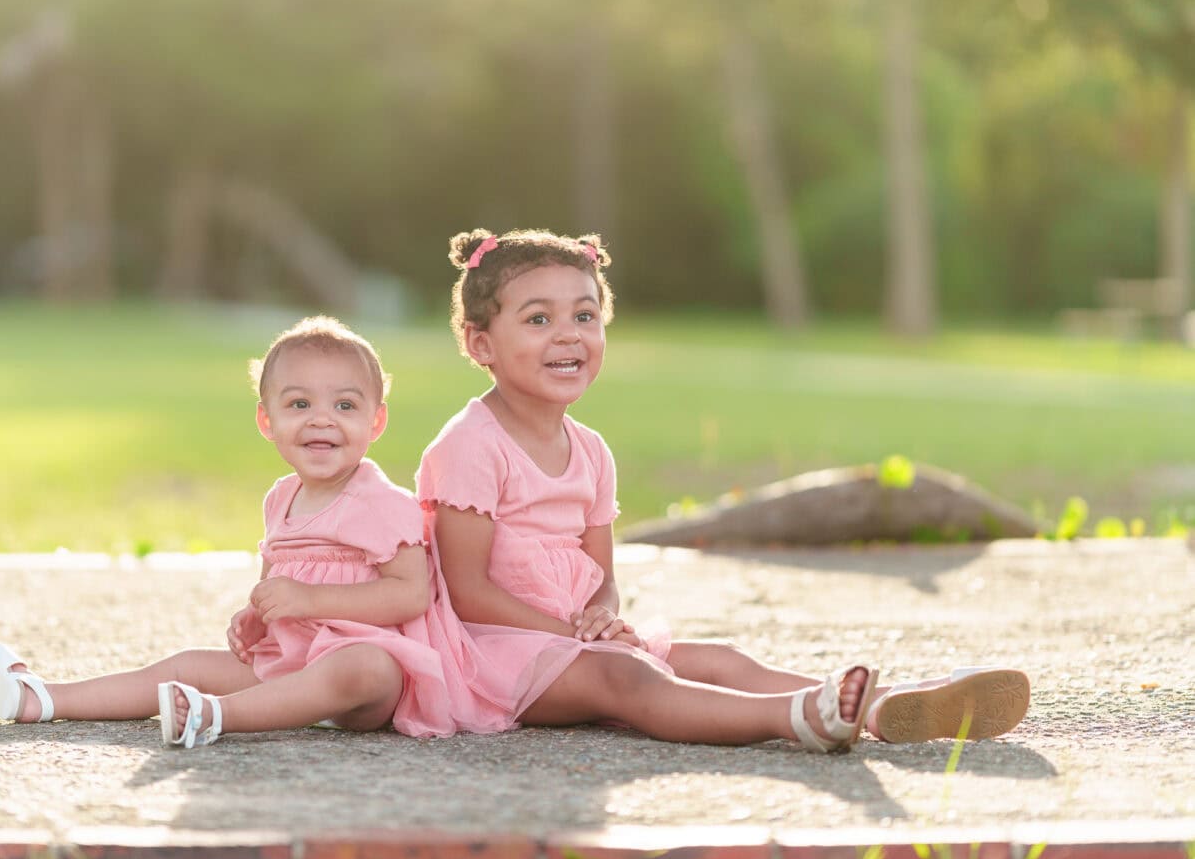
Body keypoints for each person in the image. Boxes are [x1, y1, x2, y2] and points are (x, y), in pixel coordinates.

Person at [416, 228, 1030, 750]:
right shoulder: (472, 444)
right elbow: (468, 593)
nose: (569, 334)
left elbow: (601, 575)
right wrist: (579, 638)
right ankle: (799, 719)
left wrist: (603, 617)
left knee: (720, 659)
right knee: (632, 681)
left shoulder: (591, 450)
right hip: (494, 655)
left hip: (578, 639)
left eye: (584, 315)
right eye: (538, 319)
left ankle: (886, 705)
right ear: (481, 343)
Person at [0, 316, 457, 745]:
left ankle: (215, 715)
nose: (322, 419)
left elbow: (411, 594)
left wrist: (309, 600)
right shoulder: (282, 497)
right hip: (292, 658)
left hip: (366, 676)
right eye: (300, 403)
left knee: (366, 667)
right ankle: (42, 699)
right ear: (267, 420)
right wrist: (257, 615)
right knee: (186, 664)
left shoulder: (384, 503)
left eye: (346, 406)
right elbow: (275, 582)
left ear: (377, 421)